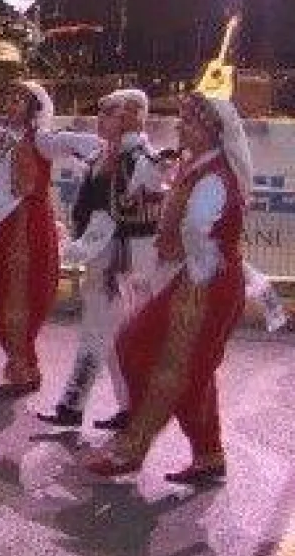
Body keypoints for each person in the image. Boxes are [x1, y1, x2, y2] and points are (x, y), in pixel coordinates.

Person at [85, 93, 252, 485]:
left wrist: (186, 257)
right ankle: (208, 458)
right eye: (182, 121)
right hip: (203, 279)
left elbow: (197, 229)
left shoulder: (213, 176)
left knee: (142, 349)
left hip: (204, 284)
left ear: (212, 131)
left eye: (190, 122)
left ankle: (133, 447)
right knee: (191, 369)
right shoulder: (199, 166)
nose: (181, 128)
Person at [0, 81, 103, 395]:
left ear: (34, 107)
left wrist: (120, 147)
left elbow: (79, 143)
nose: (10, 104)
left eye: (18, 99)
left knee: (22, 293)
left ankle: (25, 370)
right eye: (7, 97)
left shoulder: (43, 140)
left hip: (27, 223)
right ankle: (20, 363)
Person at [38, 89, 166, 428]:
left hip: (120, 262)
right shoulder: (104, 152)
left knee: (97, 333)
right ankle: (130, 408)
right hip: (107, 259)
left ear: (131, 117)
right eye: (102, 112)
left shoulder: (137, 157)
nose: (101, 119)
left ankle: (71, 406)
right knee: (113, 339)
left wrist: (160, 168)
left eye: (109, 113)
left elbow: (152, 178)